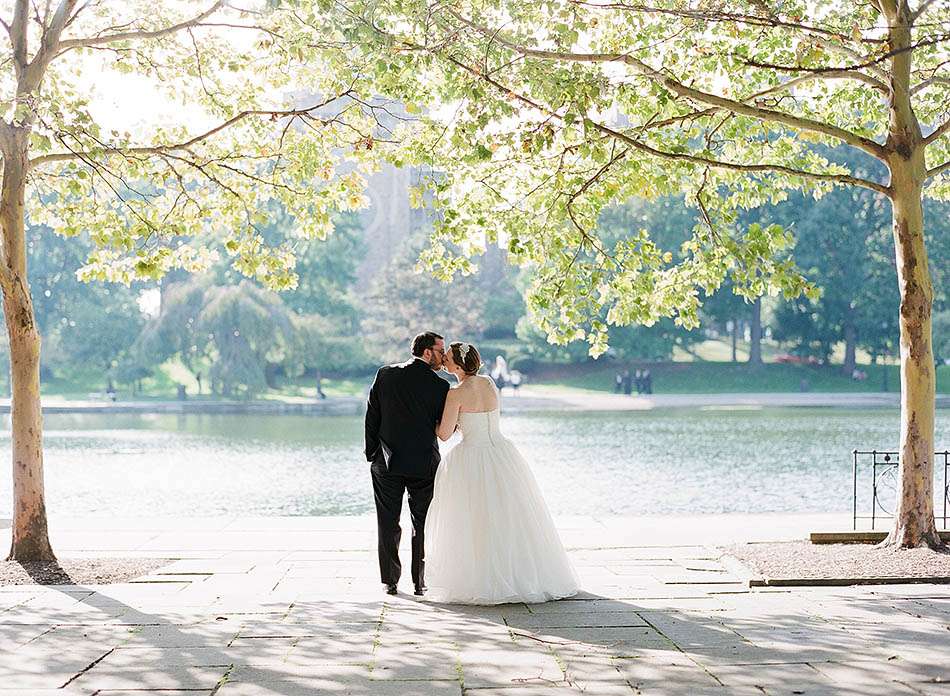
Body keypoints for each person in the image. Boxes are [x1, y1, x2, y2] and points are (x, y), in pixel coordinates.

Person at [425, 341, 579, 604]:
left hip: (472, 456)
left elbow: (444, 433)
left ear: (460, 365)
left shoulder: (456, 393)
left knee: (473, 519)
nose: (444, 362)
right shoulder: (488, 383)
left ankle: (483, 578)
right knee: (509, 515)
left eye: (448, 358)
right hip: (501, 452)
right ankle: (522, 575)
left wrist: (431, 418)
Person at [364, 331, 449, 597]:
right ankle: (419, 582)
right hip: (424, 463)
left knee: (387, 521)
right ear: (426, 352)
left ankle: (390, 581)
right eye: (440, 350)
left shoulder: (385, 374)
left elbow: (371, 416)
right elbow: (442, 427)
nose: (443, 357)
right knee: (422, 522)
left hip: (386, 461)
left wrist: (372, 453)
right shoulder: (440, 387)